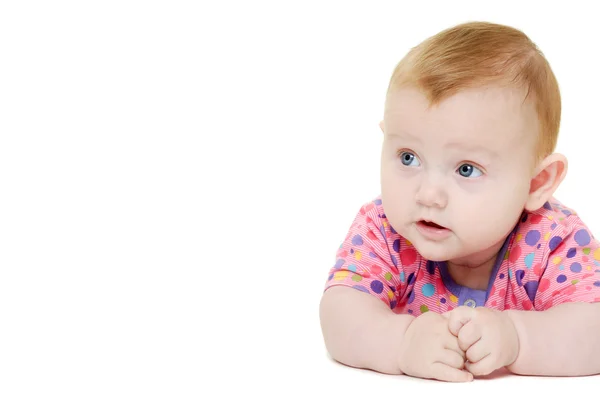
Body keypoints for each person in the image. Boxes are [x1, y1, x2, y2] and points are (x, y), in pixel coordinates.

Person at [319, 21, 600, 382]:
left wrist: (518, 338)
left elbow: (593, 327)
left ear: (536, 182)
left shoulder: (553, 240)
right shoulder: (383, 229)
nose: (428, 194)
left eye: (466, 169)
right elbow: (340, 311)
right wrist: (399, 343)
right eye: (408, 157)